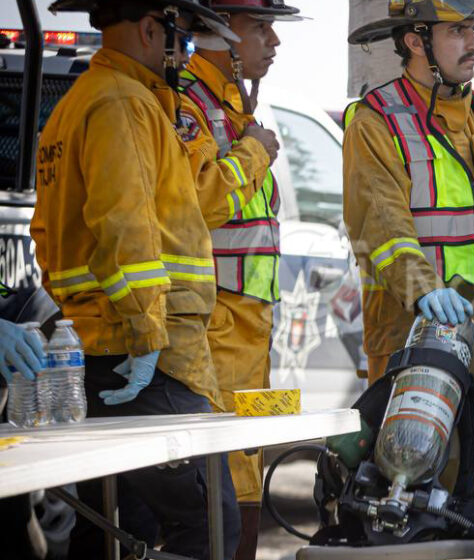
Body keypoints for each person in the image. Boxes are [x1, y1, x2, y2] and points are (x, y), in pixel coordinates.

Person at [31, 1, 242, 557]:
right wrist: (147, 334)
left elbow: (50, 235)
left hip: (98, 350)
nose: (187, 50)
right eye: (180, 36)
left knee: (113, 532)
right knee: (208, 525)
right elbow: (125, 226)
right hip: (147, 359)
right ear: (150, 27)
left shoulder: (79, 104)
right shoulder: (123, 104)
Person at [343, 0, 474, 395]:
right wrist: (424, 290)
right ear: (416, 42)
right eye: (457, 31)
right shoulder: (376, 121)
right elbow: (381, 226)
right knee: (421, 457)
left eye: (472, 28)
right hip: (419, 339)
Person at [176, 0, 298, 555]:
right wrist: (254, 153)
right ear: (221, 34)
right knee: (224, 479)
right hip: (216, 319)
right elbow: (197, 200)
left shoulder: (232, 105)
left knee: (245, 464)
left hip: (248, 325)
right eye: (260, 28)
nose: (274, 41)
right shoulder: (188, 103)